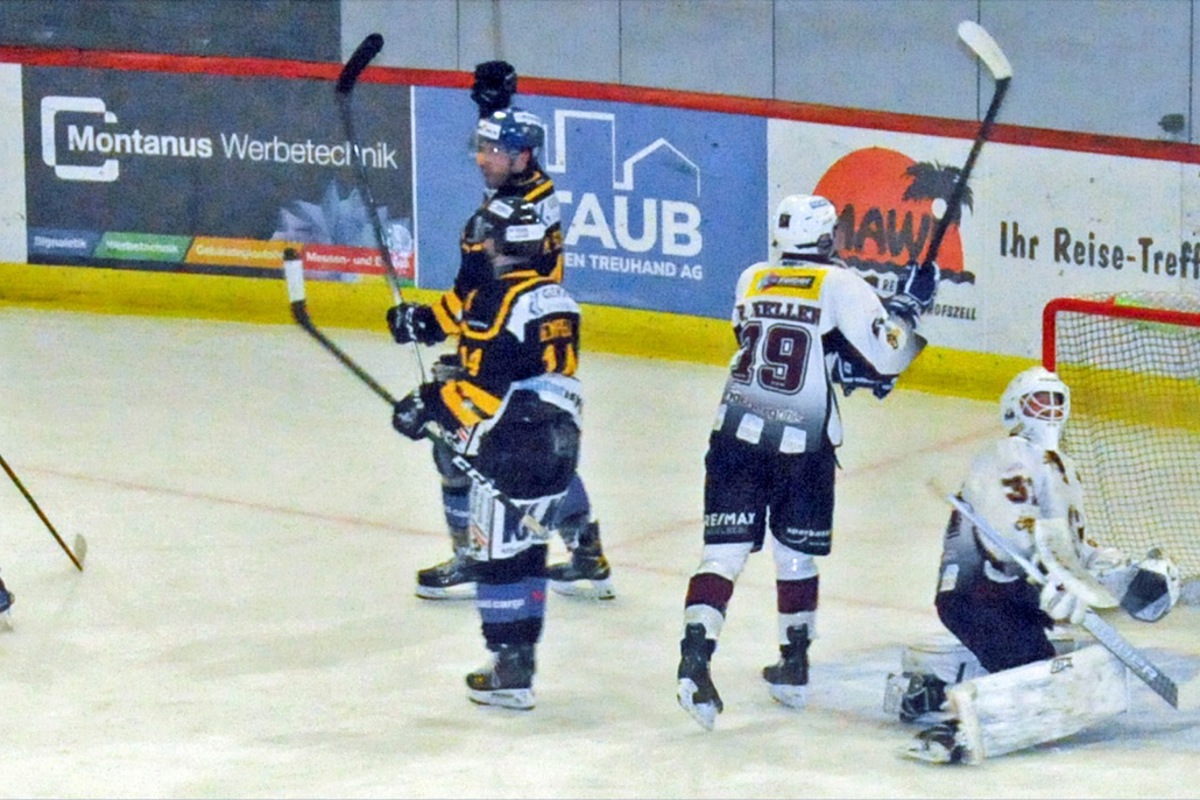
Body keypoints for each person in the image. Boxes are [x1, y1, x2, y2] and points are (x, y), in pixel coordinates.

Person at [674, 194, 938, 730]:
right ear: (825, 239)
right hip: (803, 443)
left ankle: (694, 660)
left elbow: (782, 348)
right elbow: (886, 354)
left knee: (721, 556)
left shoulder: (752, 278)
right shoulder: (842, 284)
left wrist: (857, 365)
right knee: (796, 555)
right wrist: (909, 305)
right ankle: (794, 663)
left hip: (735, 434)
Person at [385, 66, 614, 602]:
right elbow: (510, 153)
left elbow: (475, 296)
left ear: (520, 156)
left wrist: (428, 322)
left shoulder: (505, 224)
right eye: (481, 148)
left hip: (505, 347)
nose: (481, 157)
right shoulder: (535, 190)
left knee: (461, 446)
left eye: (492, 150)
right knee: (541, 452)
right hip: (530, 338)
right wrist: (497, 112)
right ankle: (585, 548)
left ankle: (472, 554)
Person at [892, 366, 1182, 763]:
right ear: (1014, 409)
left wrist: (1123, 575)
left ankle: (929, 685)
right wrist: (1046, 582)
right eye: (1037, 400)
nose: (1049, 409)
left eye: (1056, 400)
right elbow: (1007, 536)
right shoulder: (1007, 454)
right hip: (980, 596)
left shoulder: (1062, 465)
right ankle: (954, 727)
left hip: (1015, 599)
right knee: (1051, 687)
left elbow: (1071, 547)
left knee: (1063, 664)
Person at [389, 194, 585, 709]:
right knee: (533, 549)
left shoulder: (491, 299)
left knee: (498, 559)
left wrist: (426, 403)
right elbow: (520, 365)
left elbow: (482, 394)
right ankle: (522, 658)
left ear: (498, 245)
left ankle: (509, 668)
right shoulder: (559, 298)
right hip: (564, 438)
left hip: (512, 441)